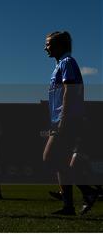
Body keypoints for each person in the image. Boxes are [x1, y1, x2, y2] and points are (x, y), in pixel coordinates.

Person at [42, 31, 98, 215]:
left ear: (59, 46)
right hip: (60, 119)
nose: (45, 48)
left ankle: (87, 191)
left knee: (49, 157)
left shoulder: (67, 63)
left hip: (67, 120)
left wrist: (63, 119)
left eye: (48, 44)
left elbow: (69, 91)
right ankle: (68, 205)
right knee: (59, 159)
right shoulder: (60, 65)